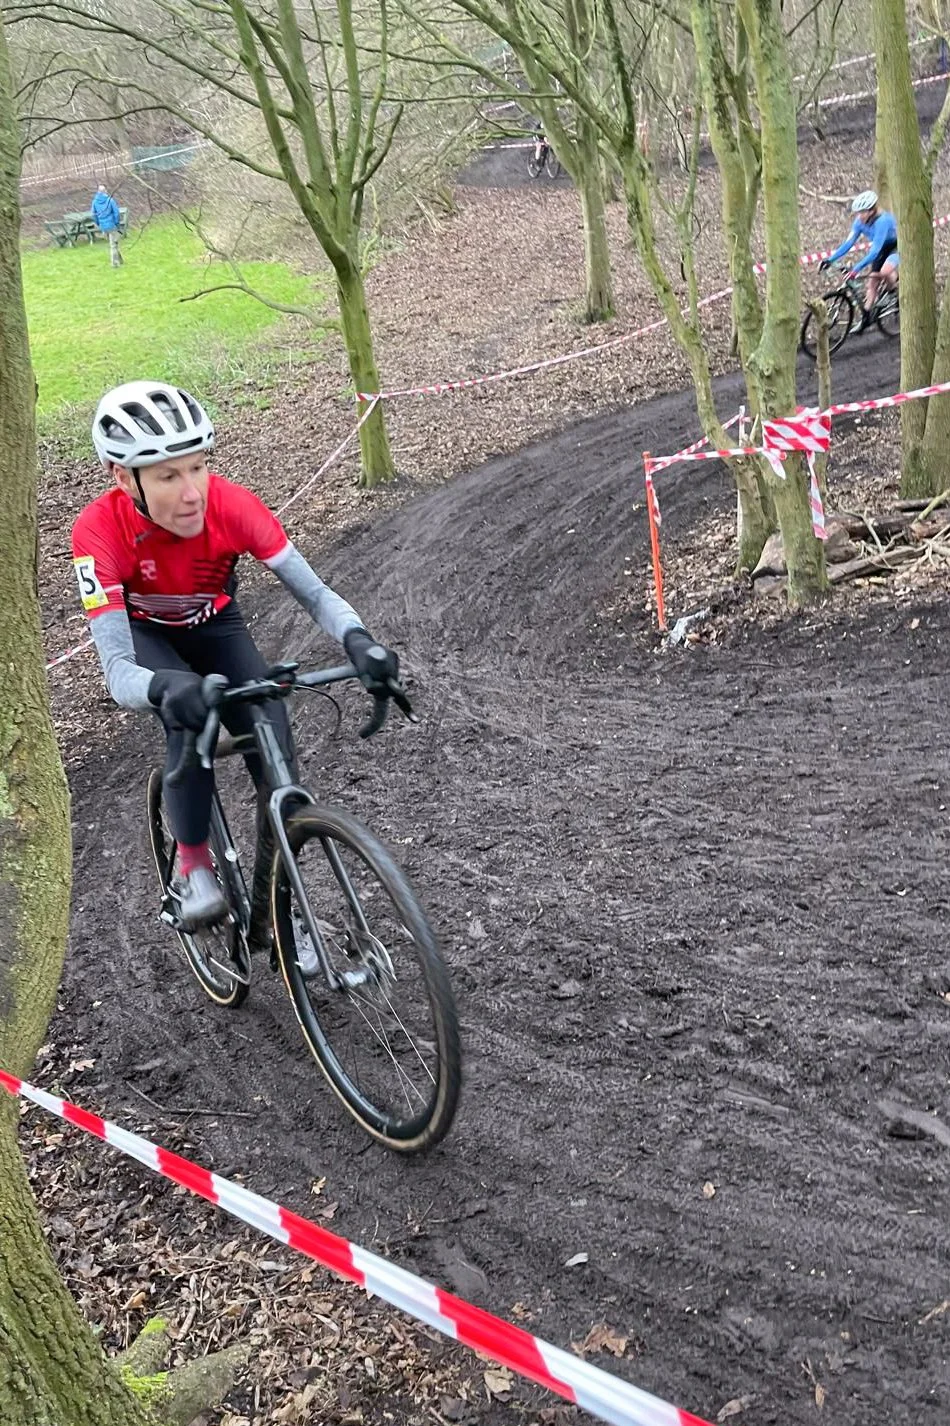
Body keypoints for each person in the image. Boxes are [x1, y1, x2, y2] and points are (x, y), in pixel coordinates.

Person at [71, 380, 399, 949]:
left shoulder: (234, 506)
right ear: (124, 479)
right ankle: (193, 866)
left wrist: (359, 641)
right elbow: (118, 669)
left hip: (215, 624)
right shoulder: (97, 532)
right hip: (148, 637)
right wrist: (161, 690)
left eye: (198, 467)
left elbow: (317, 595)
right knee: (189, 714)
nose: (192, 492)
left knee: (273, 738)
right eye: (168, 476)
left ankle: (278, 908)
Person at [819, 190, 899, 327]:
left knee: (885, 271)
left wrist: (856, 269)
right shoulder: (859, 222)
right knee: (872, 283)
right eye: (858, 212)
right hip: (881, 249)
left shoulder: (883, 221)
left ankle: (892, 291)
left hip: (895, 246)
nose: (859, 216)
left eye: (862, 212)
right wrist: (830, 259)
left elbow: (874, 251)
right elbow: (848, 243)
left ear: (872, 211)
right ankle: (866, 317)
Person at [91, 183, 123, 267]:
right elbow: (116, 213)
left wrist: (98, 223)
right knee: (113, 244)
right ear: (105, 191)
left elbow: (93, 214)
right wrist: (117, 223)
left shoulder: (95, 202)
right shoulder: (110, 200)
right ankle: (115, 263)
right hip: (111, 224)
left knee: (113, 242)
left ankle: (120, 260)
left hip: (103, 226)